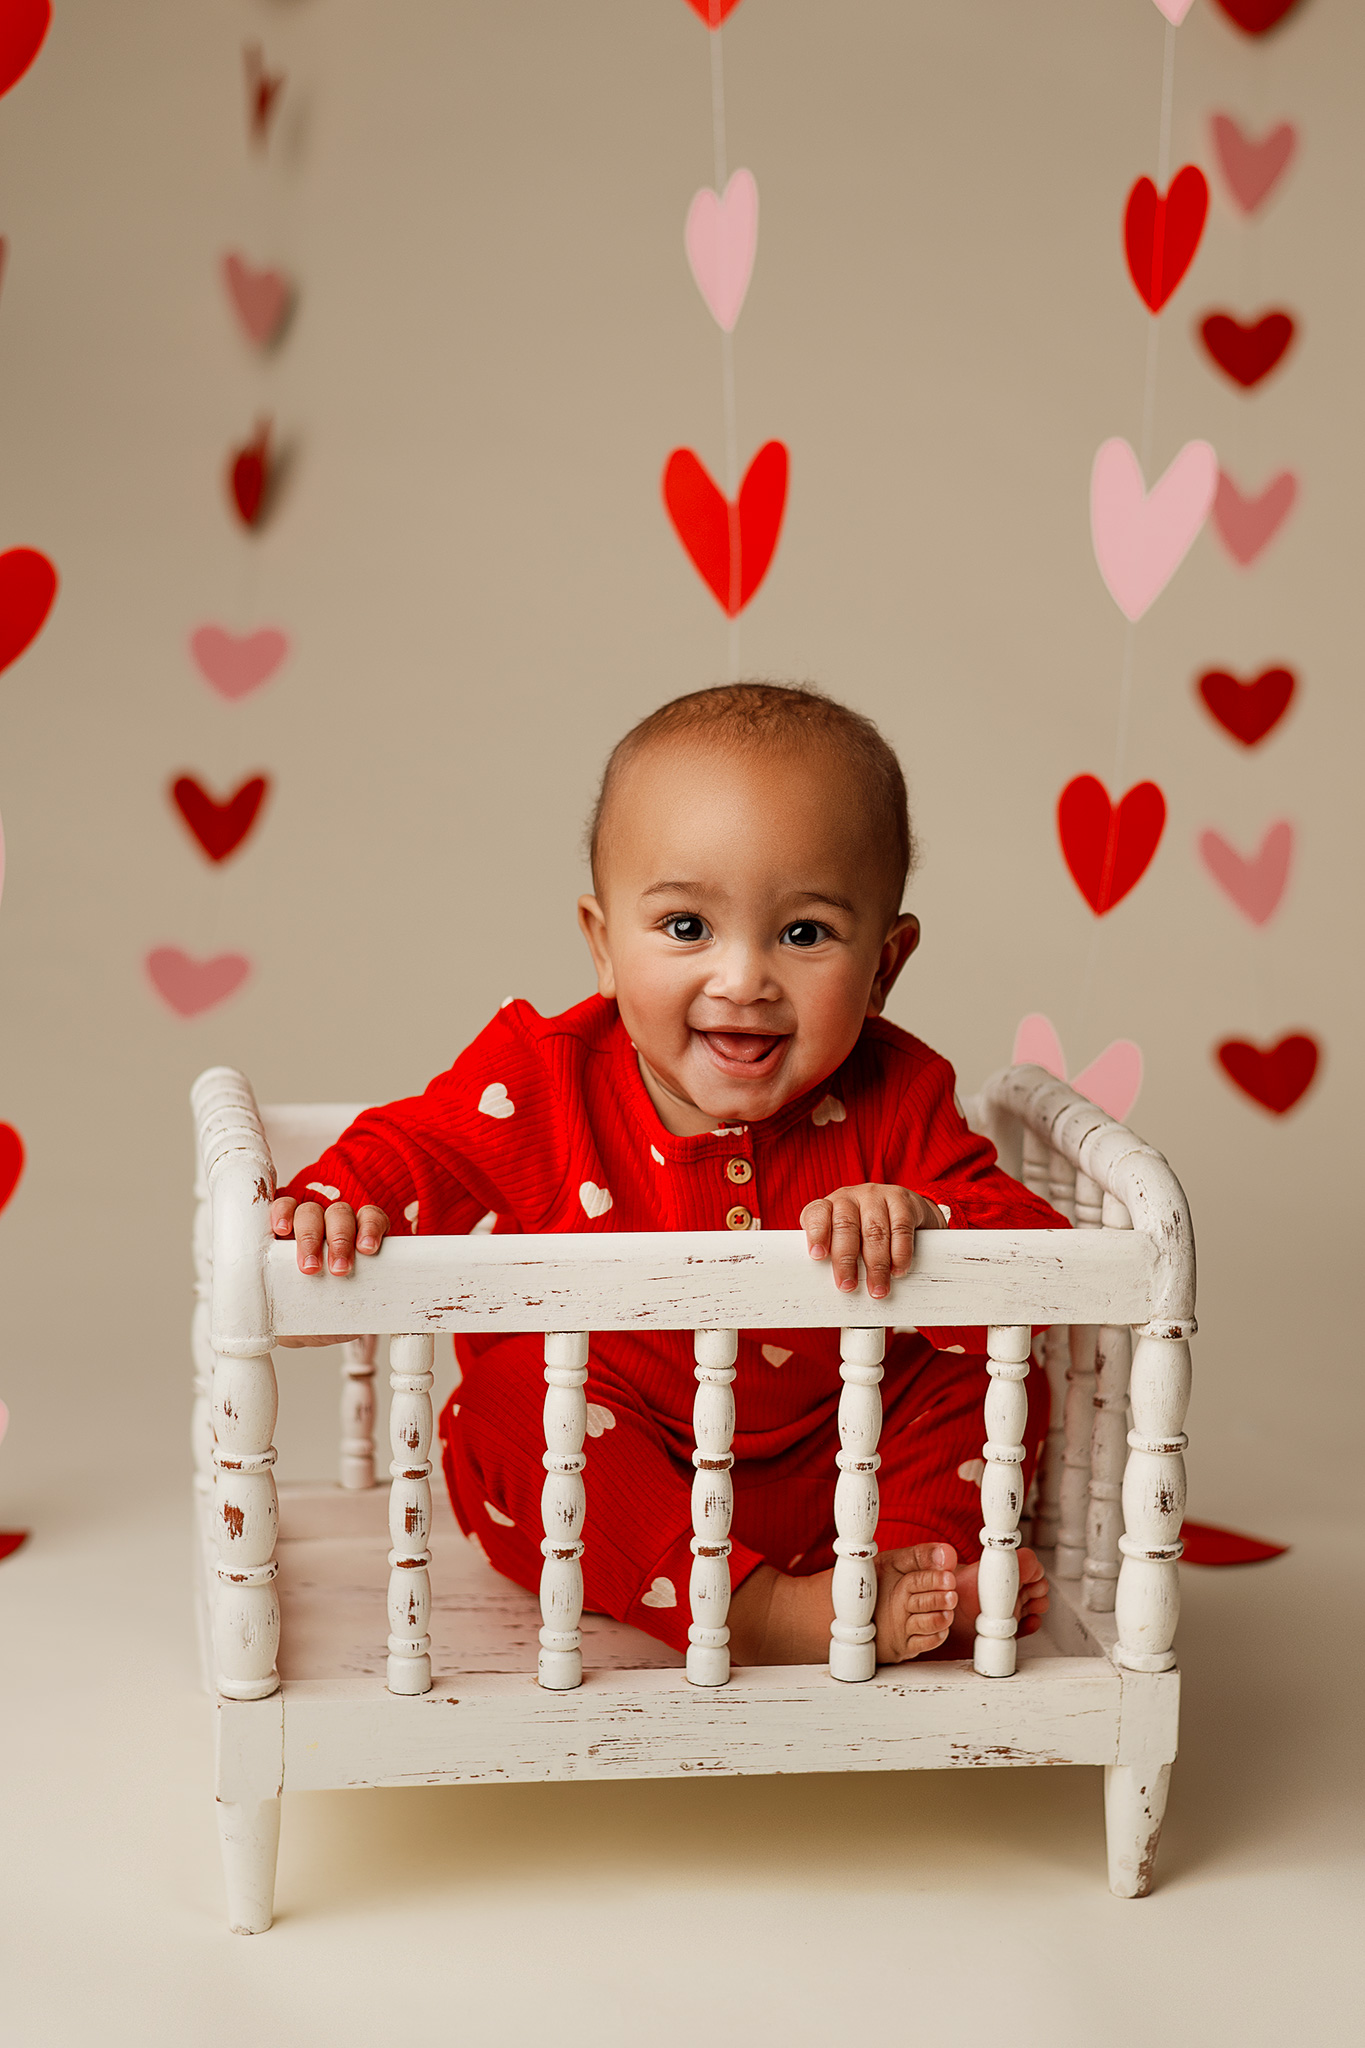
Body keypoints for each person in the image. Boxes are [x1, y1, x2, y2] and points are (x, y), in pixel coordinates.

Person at [272, 682, 1063, 1666]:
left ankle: (908, 1565)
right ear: (603, 945)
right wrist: (343, 1200)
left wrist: (923, 1218)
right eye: (687, 927)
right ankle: (770, 1609)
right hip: (619, 1473)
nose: (743, 980)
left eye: (804, 932)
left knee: (979, 1373)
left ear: (886, 966)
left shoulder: (898, 1093)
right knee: (513, 1394)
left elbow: (1038, 1255)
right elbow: (420, 1144)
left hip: (835, 1472)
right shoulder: (544, 1075)